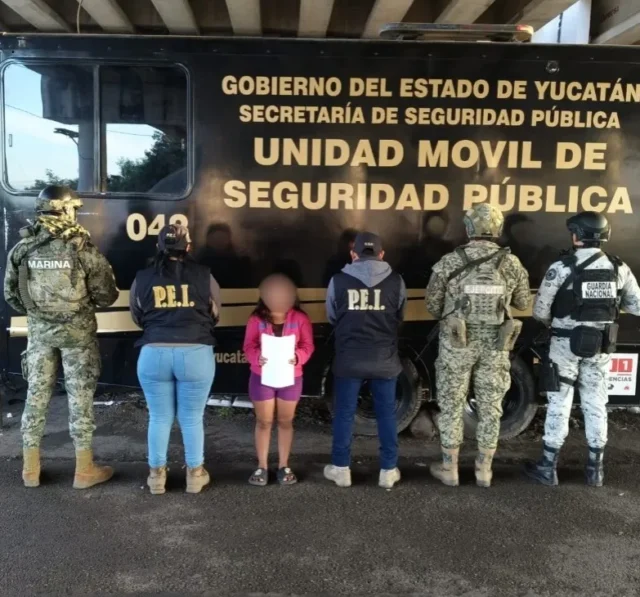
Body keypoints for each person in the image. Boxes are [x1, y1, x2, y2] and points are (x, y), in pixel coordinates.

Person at [3, 185, 119, 489]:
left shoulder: (23, 249)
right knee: (80, 399)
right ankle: (84, 470)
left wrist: (40, 314)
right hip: (78, 337)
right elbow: (106, 295)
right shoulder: (82, 249)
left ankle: (30, 470)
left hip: (40, 336)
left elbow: (11, 295)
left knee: (36, 397)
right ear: (67, 210)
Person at [525, 211, 640, 487]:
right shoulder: (618, 268)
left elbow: (540, 311)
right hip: (600, 346)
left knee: (560, 402)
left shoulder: (561, 267)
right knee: (596, 402)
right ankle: (595, 471)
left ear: (577, 236)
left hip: (565, 345)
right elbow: (636, 306)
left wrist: (559, 321)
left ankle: (548, 467)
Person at [426, 204, 530, 488]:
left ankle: (449, 469)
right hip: (495, 344)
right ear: (498, 229)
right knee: (491, 406)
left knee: (451, 404)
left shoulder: (450, 261)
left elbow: (433, 306)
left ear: (469, 228)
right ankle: (484, 470)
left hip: (457, 344)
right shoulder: (511, 263)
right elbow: (523, 302)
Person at [130, 224, 220, 495]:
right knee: (191, 418)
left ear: (158, 247)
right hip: (195, 353)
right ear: (188, 247)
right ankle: (195, 475)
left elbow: (137, 315)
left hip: (153, 352)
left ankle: (156, 477)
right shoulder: (205, 276)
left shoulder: (142, 277)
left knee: (159, 417)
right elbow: (215, 314)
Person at [324, 232, 407, 489]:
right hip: (385, 360)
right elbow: (399, 317)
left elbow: (332, 316)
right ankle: (388, 471)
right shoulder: (397, 281)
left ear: (353, 254)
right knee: (386, 415)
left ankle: (341, 469)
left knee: (344, 414)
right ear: (381, 254)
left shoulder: (338, 281)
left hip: (349, 360)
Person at [243, 274, 314, 486]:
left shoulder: (300, 318)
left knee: (285, 421)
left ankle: (284, 465)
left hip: (291, 377)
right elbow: (248, 346)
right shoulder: (256, 319)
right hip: (262, 376)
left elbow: (308, 346)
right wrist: (257, 357)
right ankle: (262, 466)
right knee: (264, 422)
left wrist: (298, 357)